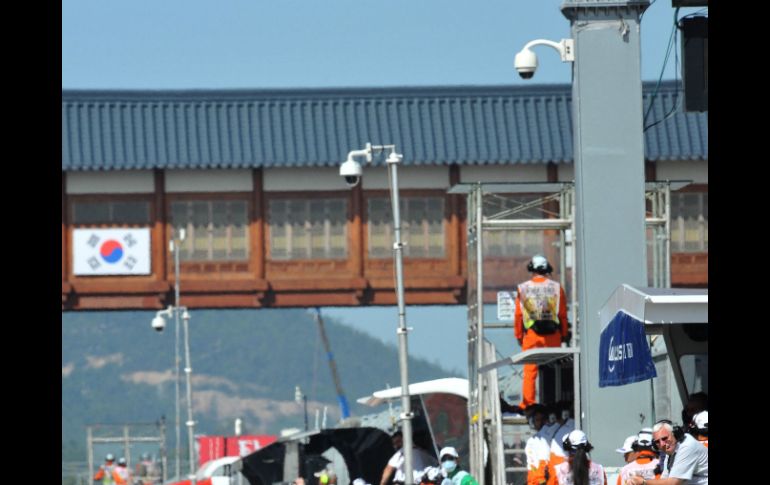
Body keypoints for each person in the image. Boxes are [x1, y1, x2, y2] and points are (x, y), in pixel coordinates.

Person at [514, 255, 569, 409]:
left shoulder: (523, 288)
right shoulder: (557, 288)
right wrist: (564, 333)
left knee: (530, 371)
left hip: (531, 335)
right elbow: (562, 314)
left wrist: (519, 335)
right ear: (547, 269)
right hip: (553, 336)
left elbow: (518, 315)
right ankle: (552, 402)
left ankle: (528, 404)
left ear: (532, 269)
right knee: (552, 370)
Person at [625, 420, 707, 485]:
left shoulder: (687, 446)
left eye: (664, 438)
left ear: (675, 434)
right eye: (657, 442)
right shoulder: (670, 449)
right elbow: (664, 480)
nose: (662, 444)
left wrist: (644, 482)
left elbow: (673, 482)